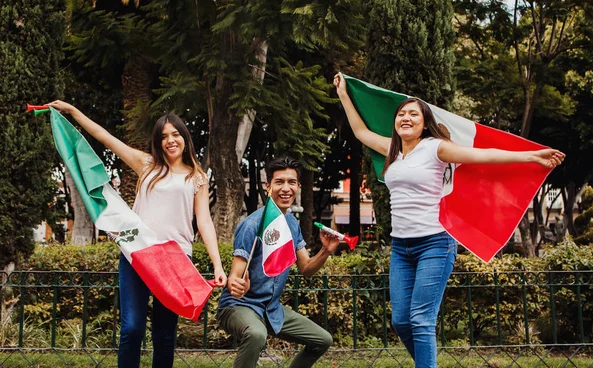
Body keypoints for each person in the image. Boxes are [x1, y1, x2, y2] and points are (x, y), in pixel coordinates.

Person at [333, 73, 565, 368]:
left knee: (421, 319)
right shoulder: (391, 150)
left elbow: (483, 155)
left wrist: (531, 157)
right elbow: (360, 132)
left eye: (413, 114)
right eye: (401, 113)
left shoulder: (435, 147)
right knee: (401, 321)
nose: (406, 117)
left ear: (424, 122)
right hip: (401, 248)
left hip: (434, 243)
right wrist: (343, 93)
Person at [48, 100, 227, 368]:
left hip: (176, 261)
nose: (170, 140)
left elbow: (204, 221)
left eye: (175, 134)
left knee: (164, 335)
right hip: (139, 255)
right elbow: (105, 137)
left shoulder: (196, 177)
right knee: (132, 329)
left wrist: (217, 264)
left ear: (184, 137)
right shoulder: (146, 165)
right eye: (164, 136)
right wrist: (73, 112)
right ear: (158, 141)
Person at [217, 157, 338, 368]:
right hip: (240, 306)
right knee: (256, 334)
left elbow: (306, 269)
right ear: (268, 186)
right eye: (279, 182)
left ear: (298, 186)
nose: (286, 188)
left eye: (291, 182)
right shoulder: (252, 224)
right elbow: (235, 276)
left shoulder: (291, 223)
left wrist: (325, 251)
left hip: (271, 309)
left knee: (322, 340)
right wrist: (236, 284)